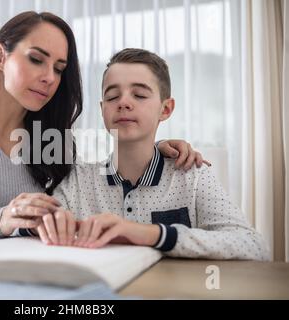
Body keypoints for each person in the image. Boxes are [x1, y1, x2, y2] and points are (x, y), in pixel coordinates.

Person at [0, 12, 206, 238]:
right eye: (36, 59)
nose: (49, 78)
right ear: (0, 56)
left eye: (59, 68)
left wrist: (153, 151)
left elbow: (94, 188)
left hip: (22, 278)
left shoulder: (50, 139)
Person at [34, 48, 270, 261]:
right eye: (113, 96)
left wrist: (153, 234)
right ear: (102, 109)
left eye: (139, 95)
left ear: (165, 109)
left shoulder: (192, 176)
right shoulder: (77, 180)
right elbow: (40, 227)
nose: (124, 102)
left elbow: (254, 246)